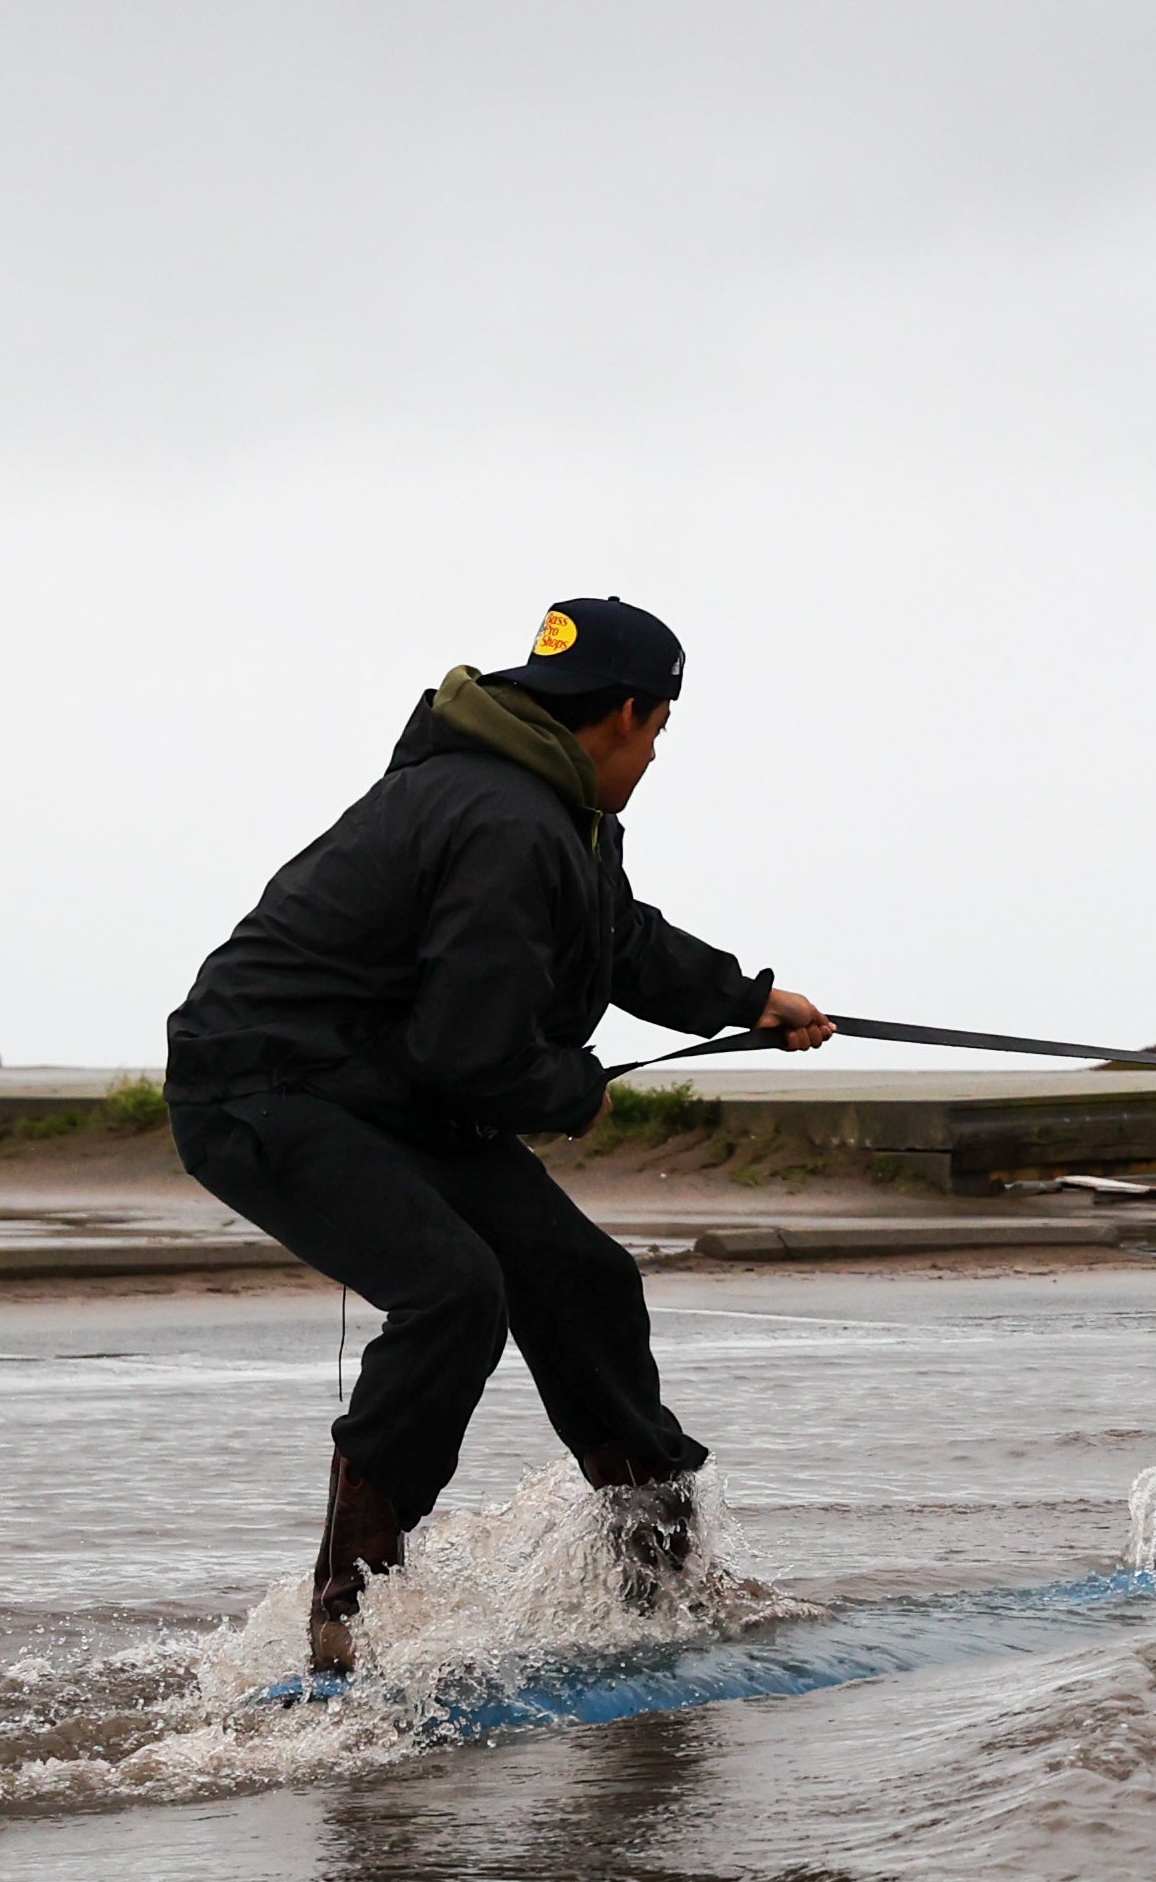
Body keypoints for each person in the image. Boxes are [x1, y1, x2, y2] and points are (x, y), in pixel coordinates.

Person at [163, 598, 834, 1676]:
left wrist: (744, 997)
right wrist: (575, 1087)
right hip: (263, 1087)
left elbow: (610, 932)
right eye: (660, 731)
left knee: (585, 1279)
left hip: (379, 1087)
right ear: (626, 711)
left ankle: (657, 1567)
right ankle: (352, 1607)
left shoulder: (549, 804)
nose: (655, 753)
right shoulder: (506, 818)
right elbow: (469, 1051)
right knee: (453, 1290)